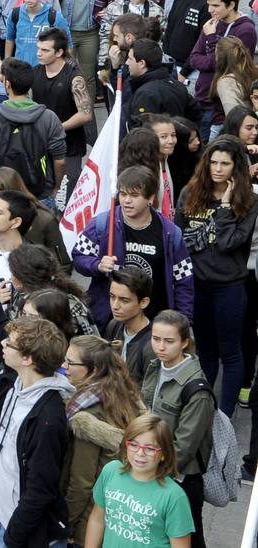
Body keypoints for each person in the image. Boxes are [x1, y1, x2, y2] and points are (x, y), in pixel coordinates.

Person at [174, 137, 257, 415]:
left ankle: (223, 416)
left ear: (236, 168)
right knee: (206, 352)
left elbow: (228, 243)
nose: (218, 169)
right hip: (196, 285)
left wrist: (223, 207)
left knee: (231, 353)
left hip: (229, 286)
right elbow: (179, 238)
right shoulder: (189, 193)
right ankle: (203, 411)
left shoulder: (248, 201)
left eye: (225, 163)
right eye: (213, 162)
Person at [72, 165, 194, 327]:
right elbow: (79, 257)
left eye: (134, 195)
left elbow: (183, 279)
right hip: (110, 320)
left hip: (153, 321)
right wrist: (97, 265)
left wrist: (183, 320)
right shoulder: (102, 224)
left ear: (150, 198)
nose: (127, 201)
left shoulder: (170, 233)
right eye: (123, 194)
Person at [0, 316, 73, 548]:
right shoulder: (11, 385)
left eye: (10, 343)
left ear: (27, 359)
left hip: (23, 534)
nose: (3, 344)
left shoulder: (48, 418)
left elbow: (40, 489)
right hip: (3, 518)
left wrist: (13, 536)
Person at [62, 334, 147, 545]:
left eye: (71, 362)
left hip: (88, 522)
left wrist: (66, 523)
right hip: (116, 513)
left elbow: (82, 482)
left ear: (93, 370)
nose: (64, 367)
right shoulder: (123, 393)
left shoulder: (86, 416)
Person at [141, 310, 216, 548]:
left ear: (185, 342)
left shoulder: (197, 390)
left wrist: (147, 470)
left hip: (180, 479)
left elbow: (183, 448)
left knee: (188, 539)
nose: (160, 347)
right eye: (156, 339)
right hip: (153, 465)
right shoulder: (156, 365)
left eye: (169, 341)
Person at [86, 413, 196, 548]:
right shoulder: (111, 471)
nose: (140, 453)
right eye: (133, 445)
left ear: (164, 454)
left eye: (150, 448)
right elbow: (97, 520)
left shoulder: (174, 496)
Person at [0, 58, 68, 202]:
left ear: (7, 84)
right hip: (41, 195)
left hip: (3, 197)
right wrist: (56, 187)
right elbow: (59, 161)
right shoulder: (49, 118)